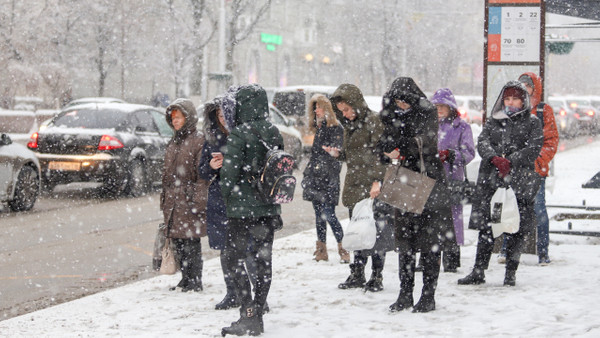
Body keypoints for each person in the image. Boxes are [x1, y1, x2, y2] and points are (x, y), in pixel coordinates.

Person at [378, 77, 455, 313]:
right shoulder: (392, 115)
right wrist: (388, 147)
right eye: (397, 101)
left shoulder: (426, 111)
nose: (401, 105)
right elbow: (383, 142)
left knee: (430, 242)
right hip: (404, 179)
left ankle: (428, 295)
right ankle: (405, 294)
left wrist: (400, 146)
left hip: (429, 181)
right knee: (405, 241)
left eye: (404, 101)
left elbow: (425, 142)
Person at [458, 81, 543, 287]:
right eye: (507, 98)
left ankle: (510, 273)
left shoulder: (532, 122)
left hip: (518, 184)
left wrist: (511, 160)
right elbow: (483, 142)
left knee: (515, 227)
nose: (511, 102)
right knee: (489, 226)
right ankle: (479, 270)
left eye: (515, 98)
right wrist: (495, 158)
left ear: (523, 100)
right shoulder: (494, 120)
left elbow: (534, 147)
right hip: (493, 183)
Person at [220, 84, 284, 337]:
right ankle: (258, 310)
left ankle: (248, 313)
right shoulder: (273, 131)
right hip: (269, 206)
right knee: (263, 260)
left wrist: (228, 200)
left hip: (241, 210)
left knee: (233, 259)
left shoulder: (239, 133)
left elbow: (229, 175)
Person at [327, 84, 388, 293]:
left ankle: (376, 275)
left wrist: (377, 181)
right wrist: (338, 154)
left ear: (356, 104)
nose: (344, 114)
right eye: (341, 111)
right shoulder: (349, 125)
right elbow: (351, 154)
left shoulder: (373, 121)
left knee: (375, 232)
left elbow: (380, 154)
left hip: (372, 188)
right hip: (355, 186)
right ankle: (358, 272)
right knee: (358, 231)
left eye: (346, 109)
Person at [498, 72, 559, 265]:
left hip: (535, 170)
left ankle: (543, 252)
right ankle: (505, 250)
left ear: (535, 88)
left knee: (538, 209)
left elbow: (551, 140)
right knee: (511, 208)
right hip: (515, 168)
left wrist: (538, 161)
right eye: (521, 84)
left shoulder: (543, 111)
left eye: (528, 84)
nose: (525, 87)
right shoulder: (510, 109)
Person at [160, 98, 208, 293]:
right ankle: (185, 279)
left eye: (179, 117)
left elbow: (201, 177)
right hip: (174, 199)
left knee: (190, 243)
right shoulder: (174, 141)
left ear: (188, 118)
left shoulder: (198, 140)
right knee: (178, 242)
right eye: (173, 118)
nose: (175, 121)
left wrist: (197, 200)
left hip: (188, 199)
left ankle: (194, 280)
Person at [430, 88, 475, 272]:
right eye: (436, 106)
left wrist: (450, 155)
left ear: (451, 107)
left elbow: (469, 152)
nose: (439, 109)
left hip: (451, 179)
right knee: (430, 220)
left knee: (452, 219)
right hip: (431, 180)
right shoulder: (429, 126)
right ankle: (429, 257)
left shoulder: (462, 127)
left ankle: (451, 260)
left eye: (443, 106)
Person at [301, 94, 349, 263]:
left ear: (327, 108)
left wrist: (326, 164)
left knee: (329, 214)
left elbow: (337, 156)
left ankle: (344, 248)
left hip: (329, 178)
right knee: (319, 215)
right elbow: (316, 155)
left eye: (319, 106)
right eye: (314, 107)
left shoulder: (336, 128)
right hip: (316, 177)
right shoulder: (319, 128)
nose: (316, 110)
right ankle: (321, 250)